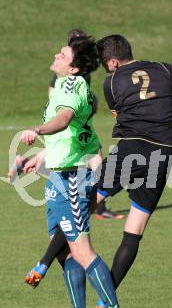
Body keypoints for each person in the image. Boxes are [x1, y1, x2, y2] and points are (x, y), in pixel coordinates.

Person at [25, 34, 172, 308]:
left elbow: (119, 116)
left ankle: (43, 265)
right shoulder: (166, 69)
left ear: (114, 62)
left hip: (130, 150)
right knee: (134, 231)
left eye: (108, 66)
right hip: (162, 155)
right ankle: (105, 303)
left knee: (83, 208)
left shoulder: (111, 83)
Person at [18, 35, 130, 308]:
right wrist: (42, 156)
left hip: (73, 179)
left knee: (82, 251)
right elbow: (70, 133)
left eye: (63, 53)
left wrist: (37, 130)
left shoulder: (71, 86)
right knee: (65, 250)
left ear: (74, 66)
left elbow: (64, 119)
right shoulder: (64, 87)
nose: (57, 54)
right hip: (59, 175)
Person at [49, 29, 124, 221]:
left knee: (96, 160)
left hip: (79, 124)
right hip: (73, 126)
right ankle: (92, 205)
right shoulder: (68, 70)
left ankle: (95, 204)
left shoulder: (80, 71)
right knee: (90, 161)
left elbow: (83, 96)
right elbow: (56, 96)